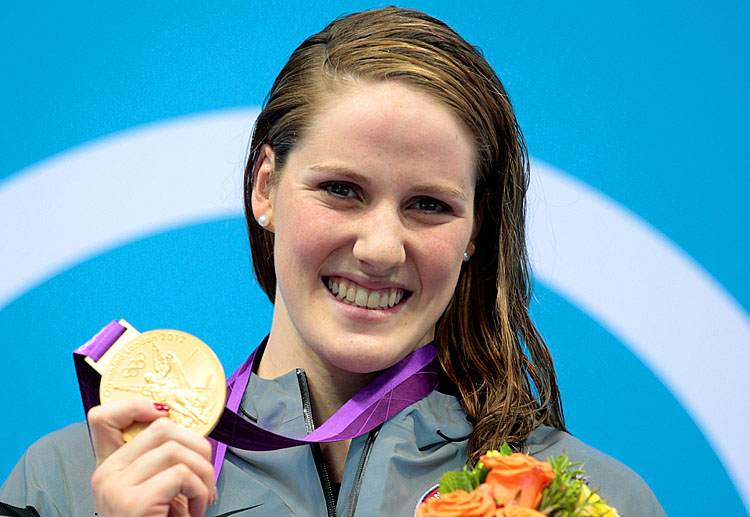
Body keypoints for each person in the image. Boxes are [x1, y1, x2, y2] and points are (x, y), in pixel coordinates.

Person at [1, 7, 665, 516]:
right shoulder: (66, 480)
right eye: (342, 190)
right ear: (265, 186)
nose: (380, 248)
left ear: (474, 229)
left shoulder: (586, 496)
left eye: (429, 205)